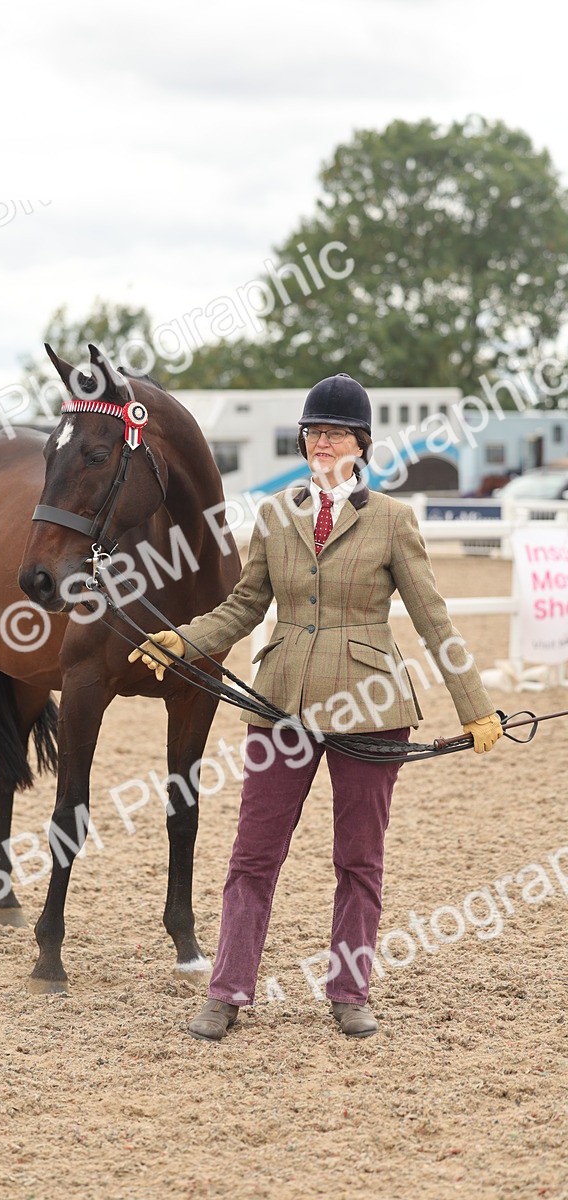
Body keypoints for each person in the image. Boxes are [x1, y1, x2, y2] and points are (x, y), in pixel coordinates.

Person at [129, 373, 502, 1041]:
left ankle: (349, 990)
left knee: (358, 859)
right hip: (282, 703)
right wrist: (183, 641)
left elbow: (433, 621)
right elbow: (245, 606)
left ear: (361, 444)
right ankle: (227, 991)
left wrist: (475, 707)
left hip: (372, 705)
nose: (322, 443)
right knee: (252, 855)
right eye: (313, 433)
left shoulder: (391, 520)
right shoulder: (275, 516)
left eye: (335, 433)